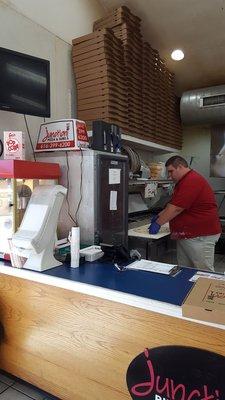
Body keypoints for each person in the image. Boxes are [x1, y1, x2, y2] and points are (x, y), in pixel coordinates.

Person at [148, 156, 221, 271]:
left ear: (180, 167)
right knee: (185, 270)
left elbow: (176, 209)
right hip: (188, 234)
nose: (169, 176)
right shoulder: (183, 181)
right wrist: (160, 215)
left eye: (171, 171)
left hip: (200, 235)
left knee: (203, 271)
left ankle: (204, 289)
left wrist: (158, 223)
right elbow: (174, 204)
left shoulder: (191, 180)